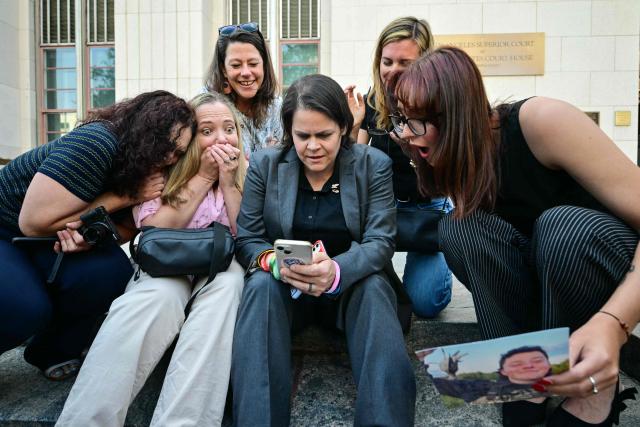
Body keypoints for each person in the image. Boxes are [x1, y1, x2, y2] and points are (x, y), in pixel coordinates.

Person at [394, 46, 639, 426]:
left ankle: (595, 390)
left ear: (457, 117)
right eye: (402, 120)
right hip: (544, 286)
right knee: (460, 227)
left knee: (560, 228)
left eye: (417, 122)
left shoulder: (544, 121)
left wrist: (613, 323)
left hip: (605, 269)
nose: (407, 134)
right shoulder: (458, 160)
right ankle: (523, 376)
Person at [231, 74, 416, 426]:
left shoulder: (371, 165)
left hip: (351, 290)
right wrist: (277, 264)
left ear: (344, 128)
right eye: (302, 136)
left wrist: (334, 273)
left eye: (324, 135)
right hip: (285, 290)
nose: (313, 146)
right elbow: (249, 240)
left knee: (376, 287)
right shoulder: (266, 166)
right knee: (258, 286)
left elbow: (380, 241)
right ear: (289, 131)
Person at [56, 92, 246, 427]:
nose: (221, 138)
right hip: (164, 263)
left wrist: (229, 182)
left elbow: (246, 237)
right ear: (188, 141)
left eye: (229, 129)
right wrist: (202, 177)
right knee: (155, 298)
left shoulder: (249, 174)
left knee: (228, 288)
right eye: (207, 130)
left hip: (221, 261)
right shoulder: (163, 173)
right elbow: (153, 233)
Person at [0, 90, 195, 380]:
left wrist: (87, 237)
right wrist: (123, 197)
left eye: (178, 152)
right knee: (27, 308)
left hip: (53, 235)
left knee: (112, 272)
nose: (169, 157)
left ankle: (50, 350)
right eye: (165, 144)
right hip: (8, 226)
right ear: (145, 129)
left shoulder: (145, 167)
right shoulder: (96, 142)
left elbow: (125, 231)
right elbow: (33, 222)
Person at [345, 16, 452, 318]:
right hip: (383, 212)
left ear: (426, 64)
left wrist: (414, 147)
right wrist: (352, 128)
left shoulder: (442, 105)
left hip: (427, 209)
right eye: (387, 61)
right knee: (376, 294)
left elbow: (443, 182)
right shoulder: (373, 100)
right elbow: (354, 170)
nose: (393, 71)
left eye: (404, 62)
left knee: (424, 302)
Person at [205, 22, 282, 159]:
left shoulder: (277, 106)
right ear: (223, 69)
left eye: (253, 64)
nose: (246, 72)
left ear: (264, 64)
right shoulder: (207, 105)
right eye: (236, 65)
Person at [431, 346, 553, 404]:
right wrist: (450, 371)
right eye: (517, 363)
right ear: (503, 370)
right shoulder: (485, 386)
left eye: (537, 360)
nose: (528, 366)